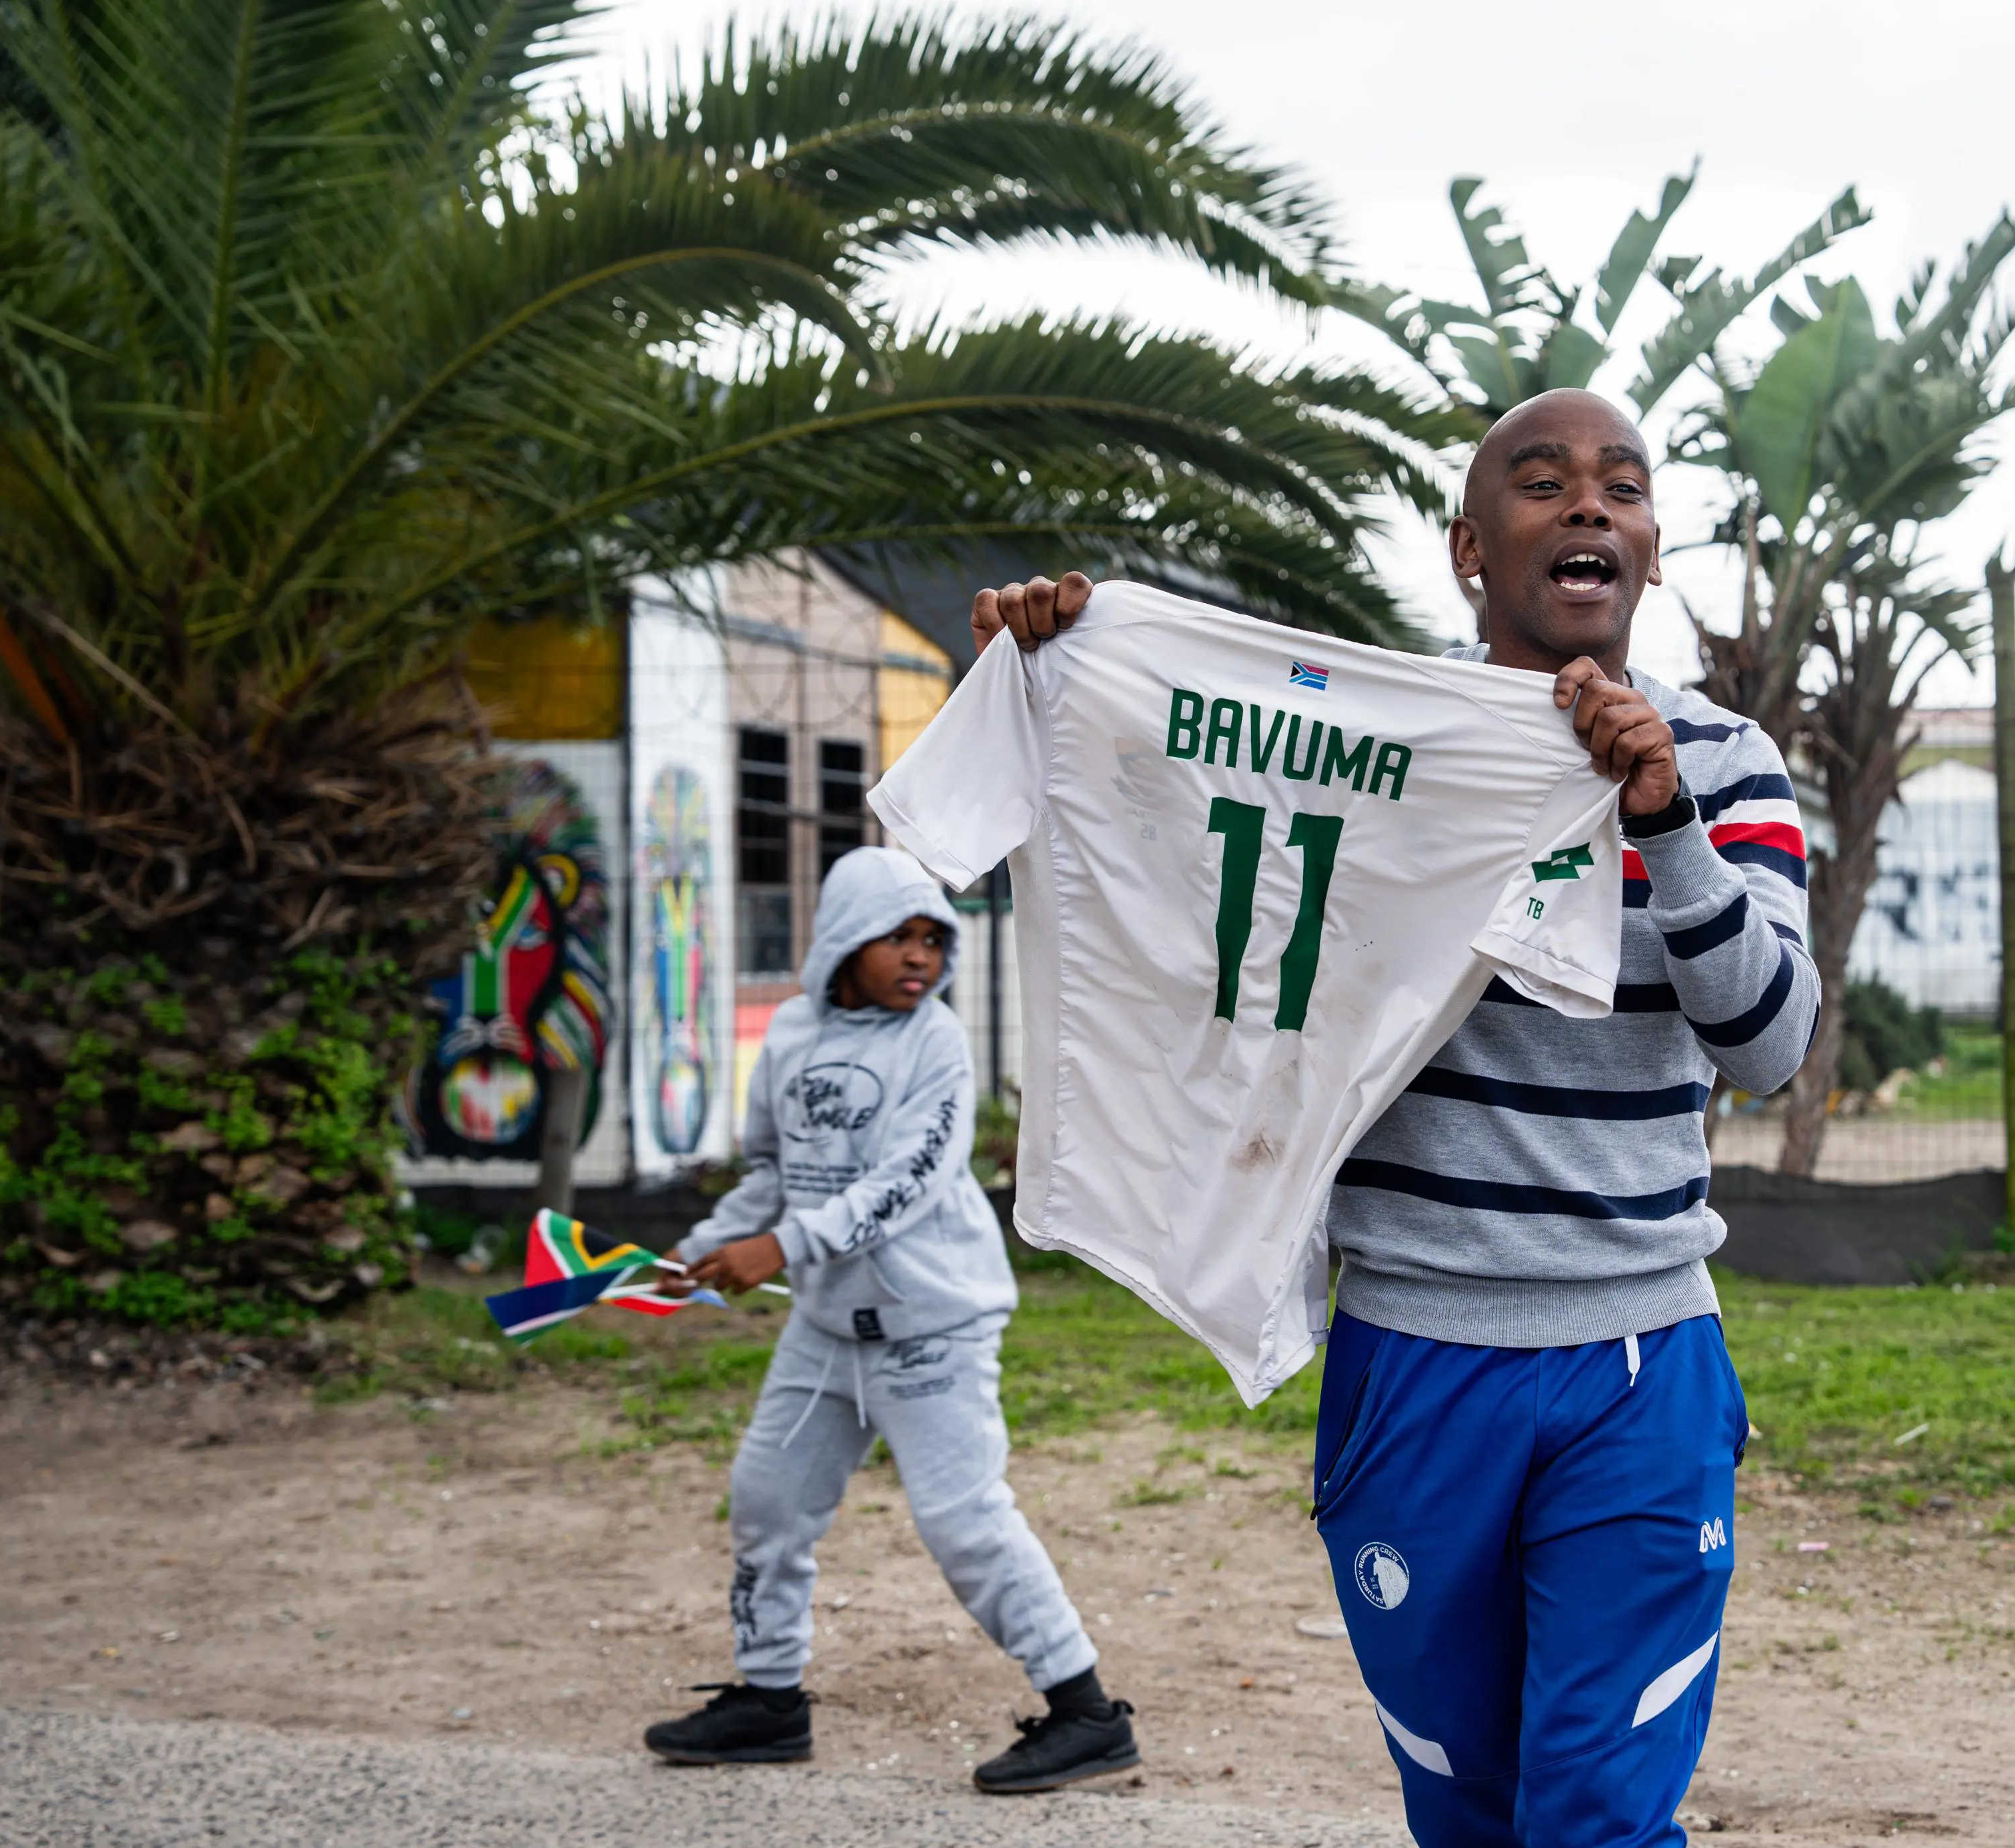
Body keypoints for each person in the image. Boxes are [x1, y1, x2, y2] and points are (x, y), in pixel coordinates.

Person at [971, 388, 1818, 1847]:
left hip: (1636, 1367)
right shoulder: (1361, 754)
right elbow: (1174, 876)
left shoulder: (1724, 761)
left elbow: (1773, 1046)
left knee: (1599, 1818)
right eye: (1543, 482)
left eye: (1622, 485)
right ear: (1469, 550)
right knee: (1466, 1812)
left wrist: (1662, 822)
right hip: (1415, 1364)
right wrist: (1058, 680)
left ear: (1655, 550)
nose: (1589, 506)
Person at [641, 845, 1136, 1793]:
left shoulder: (937, 1043)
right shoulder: (789, 1036)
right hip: (825, 1335)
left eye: (931, 938)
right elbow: (767, 1176)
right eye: (894, 936)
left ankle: (1087, 1715)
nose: (918, 955)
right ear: (840, 941)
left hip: (933, 1331)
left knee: (966, 1524)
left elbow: (906, 1183)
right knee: (767, 1504)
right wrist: (694, 1254)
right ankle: (770, 1700)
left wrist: (780, 1250)